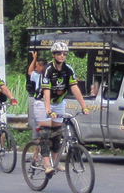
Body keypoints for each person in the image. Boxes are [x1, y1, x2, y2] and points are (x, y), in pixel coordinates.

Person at [34, 42, 89, 174]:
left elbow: (74, 88)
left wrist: (84, 106)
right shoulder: (48, 70)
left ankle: (56, 161)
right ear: (53, 55)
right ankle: (47, 164)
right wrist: (48, 110)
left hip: (58, 102)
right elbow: (46, 91)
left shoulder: (68, 69)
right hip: (43, 102)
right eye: (59, 53)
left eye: (64, 54)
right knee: (46, 132)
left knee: (57, 132)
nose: (62, 56)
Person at [27, 52, 47, 142]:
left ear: (42, 67)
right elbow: (30, 72)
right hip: (40, 104)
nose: (35, 68)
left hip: (42, 104)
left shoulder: (47, 76)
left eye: (37, 66)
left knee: (39, 128)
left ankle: (38, 152)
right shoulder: (37, 76)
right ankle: (35, 154)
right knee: (37, 129)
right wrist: (34, 59)